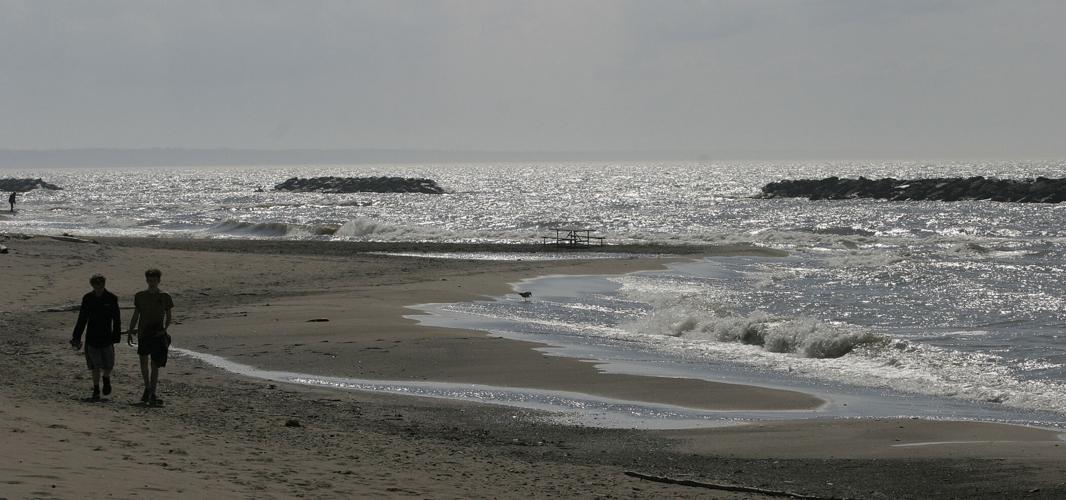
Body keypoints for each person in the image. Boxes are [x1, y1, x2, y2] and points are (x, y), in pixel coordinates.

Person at [70, 273, 123, 402]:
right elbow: (82, 318)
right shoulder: (88, 298)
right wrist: (76, 336)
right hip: (92, 338)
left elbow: (117, 319)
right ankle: (96, 389)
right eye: (96, 285)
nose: (98, 287)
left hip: (107, 337)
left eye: (100, 284)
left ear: (104, 284)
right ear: (92, 285)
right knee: (95, 366)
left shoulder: (112, 298)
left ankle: (106, 378)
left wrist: (116, 336)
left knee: (109, 365)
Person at [127, 268, 174, 405]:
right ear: (146, 280)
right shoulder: (140, 296)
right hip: (143, 333)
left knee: (155, 364)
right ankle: (147, 388)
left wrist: (165, 329)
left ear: (159, 281)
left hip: (157, 334)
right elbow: (136, 314)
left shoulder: (165, 296)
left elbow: (169, 316)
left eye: (154, 280)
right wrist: (130, 330)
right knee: (143, 362)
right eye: (150, 280)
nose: (152, 283)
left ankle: (152, 392)